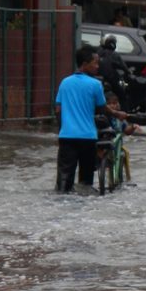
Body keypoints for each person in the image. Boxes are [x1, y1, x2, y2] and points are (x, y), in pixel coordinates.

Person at [55, 45, 127, 193]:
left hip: (67, 137)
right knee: (86, 183)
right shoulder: (95, 85)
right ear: (84, 64)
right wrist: (116, 113)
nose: (97, 66)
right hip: (87, 138)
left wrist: (63, 128)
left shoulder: (64, 83)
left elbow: (58, 110)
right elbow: (102, 108)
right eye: (95, 62)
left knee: (63, 181)